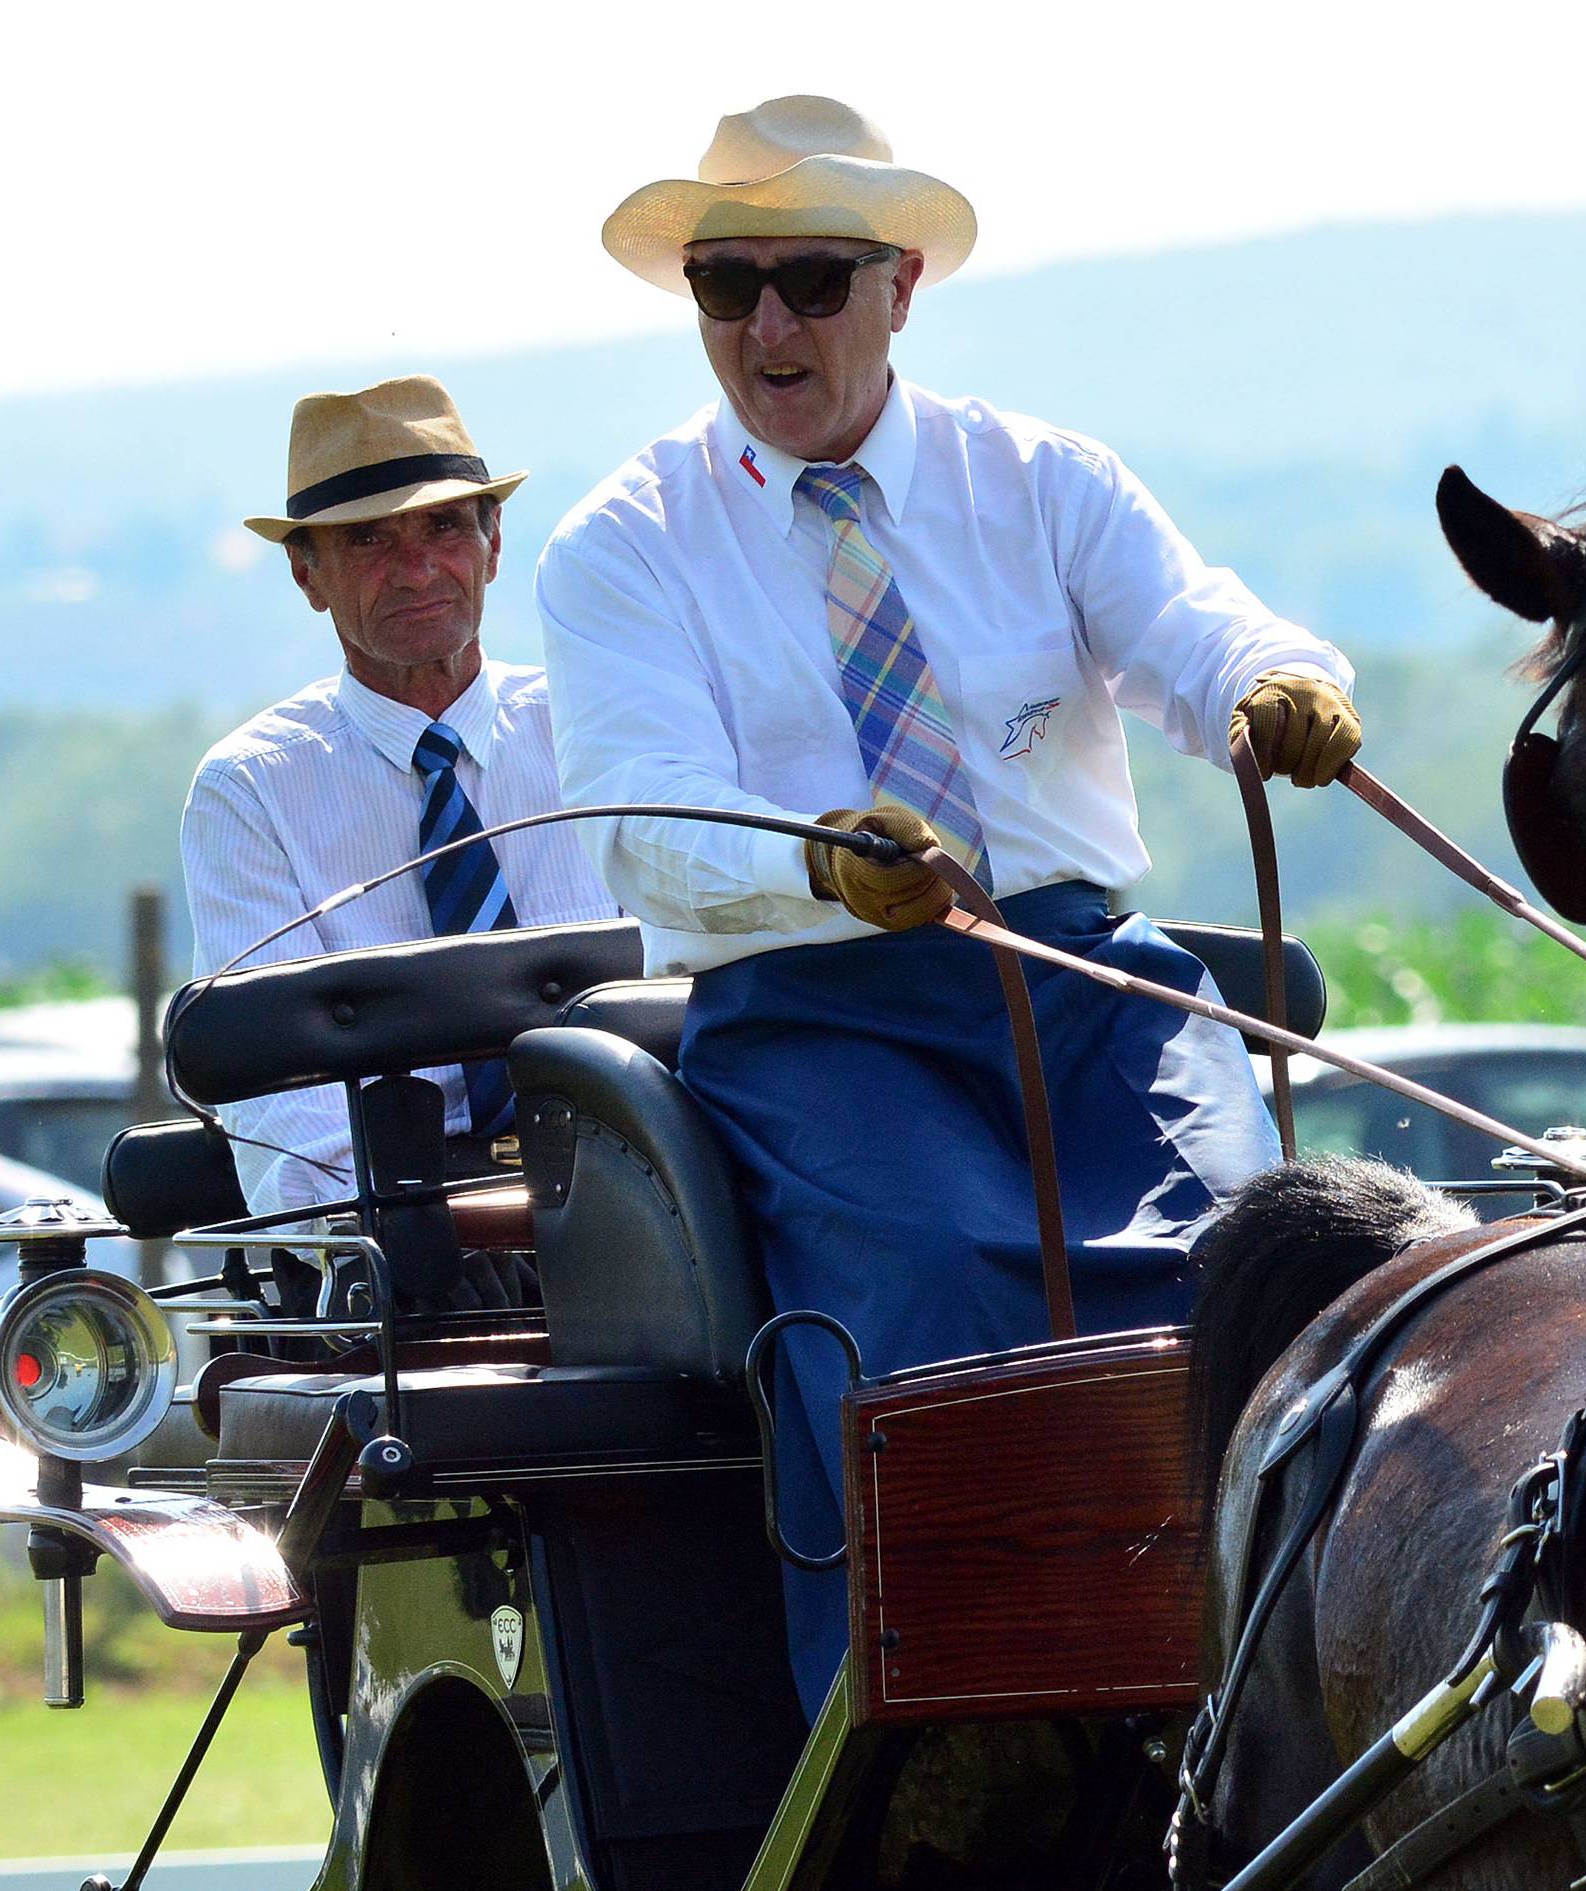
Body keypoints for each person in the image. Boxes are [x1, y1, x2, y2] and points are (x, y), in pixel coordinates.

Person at [537, 96, 1362, 1719]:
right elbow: (642, 828)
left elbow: (1198, 631)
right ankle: (945, 1745)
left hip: (1088, 980)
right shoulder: (621, 547)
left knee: (1266, 1259)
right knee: (934, 1300)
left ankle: (1294, 1711)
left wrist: (1281, 686)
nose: (769, 325)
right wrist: (822, 862)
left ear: (900, 283)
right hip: (810, 1012)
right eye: (727, 286)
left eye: (813, 279)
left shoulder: (1042, 480)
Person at [182, 376, 616, 1219]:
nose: (417, 569)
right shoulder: (253, 790)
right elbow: (280, 1103)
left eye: (445, 526)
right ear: (307, 574)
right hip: (400, 1225)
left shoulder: (597, 728)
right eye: (370, 540)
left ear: (494, 544)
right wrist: (400, 1242)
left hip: (641, 1181)